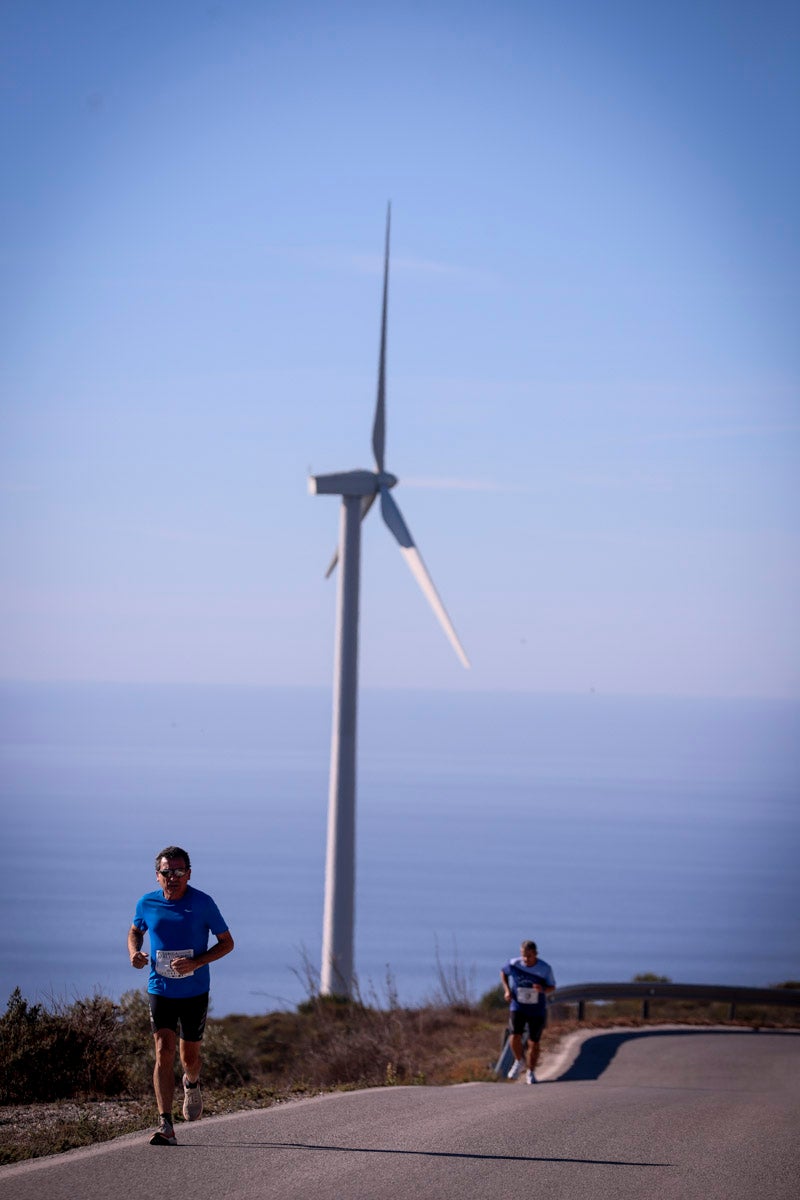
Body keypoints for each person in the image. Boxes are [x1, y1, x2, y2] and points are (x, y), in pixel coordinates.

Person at [128, 846, 234, 1146]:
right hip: (159, 988)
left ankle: (192, 1082)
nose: (172, 878)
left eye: (178, 872)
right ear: (157, 875)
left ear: (188, 874)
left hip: (194, 991)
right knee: (163, 1049)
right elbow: (135, 930)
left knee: (189, 1056)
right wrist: (135, 952)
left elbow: (227, 943)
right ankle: (165, 1124)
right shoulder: (146, 903)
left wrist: (197, 962)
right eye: (166, 872)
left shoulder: (203, 903)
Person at [501, 939, 556, 1084]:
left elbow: (552, 987)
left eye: (529, 956)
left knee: (534, 1042)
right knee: (514, 1035)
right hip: (518, 1005)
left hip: (536, 1009)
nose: (526, 959)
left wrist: (542, 989)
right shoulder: (514, 964)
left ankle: (531, 1072)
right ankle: (519, 1061)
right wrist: (507, 990)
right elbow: (503, 972)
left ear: (536, 954)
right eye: (523, 955)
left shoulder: (545, 968)